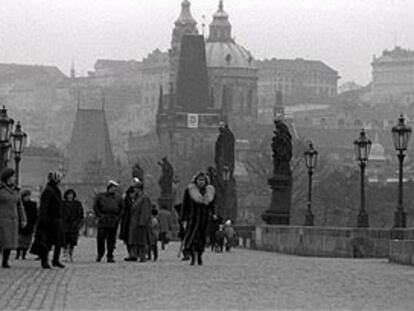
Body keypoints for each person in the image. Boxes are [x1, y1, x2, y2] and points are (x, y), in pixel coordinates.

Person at [30, 171, 65, 269]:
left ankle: (55, 260)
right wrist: (43, 220)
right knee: (47, 242)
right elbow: (44, 207)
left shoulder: (55, 190)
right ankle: (45, 260)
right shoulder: (49, 191)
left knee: (58, 242)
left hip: (56, 220)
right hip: (50, 220)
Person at [181, 171, 216, 266]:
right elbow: (185, 205)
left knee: (202, 239)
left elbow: (213, 205)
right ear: (196, 180)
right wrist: (183, 218)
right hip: (193, 218)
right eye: (199, 180)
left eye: (203, 180)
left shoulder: (210, 192)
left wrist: (213, 214)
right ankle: (192, 256)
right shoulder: (189, 191)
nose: (201, 182)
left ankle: (200, 255)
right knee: (192, 238)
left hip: (204, 219)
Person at [0, 168, 26, 268]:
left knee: (9, 241)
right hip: (2, 218)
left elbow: (20, 206)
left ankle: (5, 261)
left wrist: (23, 218)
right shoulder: (1, 189)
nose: (14, 179)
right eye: (12, 177)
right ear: (7, 178)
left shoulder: (16, 190)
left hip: (13, 219)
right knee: (1, 240)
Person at [93, 180, 124, 263]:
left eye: (115, 188)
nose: (114, 189)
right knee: (101, 238)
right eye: (113, 187)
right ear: (109, 188)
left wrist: (118, 218)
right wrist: (100, 215)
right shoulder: (100, 196)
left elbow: (122, 209)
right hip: (103, 219)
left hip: (113, 220)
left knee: (111, 239)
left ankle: (110, 255)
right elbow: (96, 207)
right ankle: (100, 253)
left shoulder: (118, 198)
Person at [125, 180, 152, 262]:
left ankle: (142, 255)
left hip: (140, 222)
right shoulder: (137, 197)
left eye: (135, 188)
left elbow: (145, 210)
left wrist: (142, 221)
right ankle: (133, 255)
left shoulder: (144, 197)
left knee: (141, 240)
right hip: (134, 222)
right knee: (134, 239)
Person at [62, 189, 84, 262]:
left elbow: (80, 214)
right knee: (64, 240)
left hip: (74, 225)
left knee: (72, 241)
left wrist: (78, 223)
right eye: (68, 194)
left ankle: (70, 254)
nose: (70, 196)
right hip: (64, 224)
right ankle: (65, 253)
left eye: (71, 194)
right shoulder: (62, 203)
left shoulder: (77, 204)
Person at [16, 190, 37, 260]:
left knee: (27, 241)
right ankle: (18, 253)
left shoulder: (33, 204)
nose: (27, 198)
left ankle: (24, 254)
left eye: (28, 196)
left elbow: (35, 215)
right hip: (21, 224)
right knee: (19, 240)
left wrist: (34, 224)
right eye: (26, 196)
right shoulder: (19, 204)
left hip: (29, 225)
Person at [120, 185, 138, 256]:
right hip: (127, 221)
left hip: (131, 221)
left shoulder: (135, 200)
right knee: (128, 238)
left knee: (132, 238)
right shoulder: (126, 201)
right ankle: (131, 253)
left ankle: (133, 253)